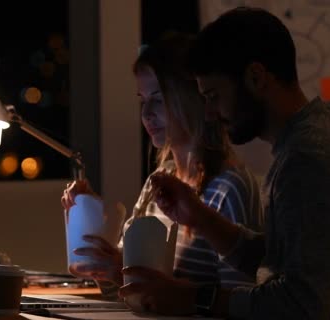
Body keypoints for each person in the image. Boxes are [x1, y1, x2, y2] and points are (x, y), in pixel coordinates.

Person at [118, 6, 330, 319]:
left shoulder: (312, 158)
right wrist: (201, 219)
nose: (208, 113)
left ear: (256, 77)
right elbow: (287, 258)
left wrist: (193, 297)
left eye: (214, 96)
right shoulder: (310, 142)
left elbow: (301, 306)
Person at [61, 33, 264, 301]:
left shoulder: (229, 188)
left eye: (158, 99)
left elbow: (239, 302)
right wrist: (88, 216)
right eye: (142, 100)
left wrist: (126, 276)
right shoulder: (160, 180)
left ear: (193, 97)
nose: (146, 114)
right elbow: (121, 289)